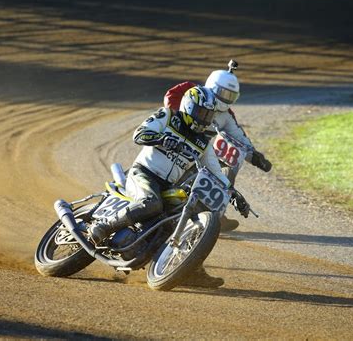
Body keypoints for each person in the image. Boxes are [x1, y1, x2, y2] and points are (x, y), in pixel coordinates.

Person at [89, 85, 249, 288]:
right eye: (201, 112)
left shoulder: (203, 142)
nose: (205, 118)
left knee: (183, 221)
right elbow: (139, 134)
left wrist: (234, 194)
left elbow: (216, 172)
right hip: (143, 173)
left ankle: (191, 269)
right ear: (189, 107)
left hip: (168, 186)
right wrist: (162, 138)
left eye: (209, 114)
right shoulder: (167, 116)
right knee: (151, 203)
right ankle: (104, 226)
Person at [163, 60, 272, 231]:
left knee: (219, 174)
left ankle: (213, 214)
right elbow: (171, 96)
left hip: (201, 149)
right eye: (223, 93)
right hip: (176, 140)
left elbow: (239, 137)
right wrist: (178, 119)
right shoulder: (193, 92)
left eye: (230, 96)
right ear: (212, 86)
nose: (225, 99)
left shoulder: (227, 115)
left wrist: (255, 156)